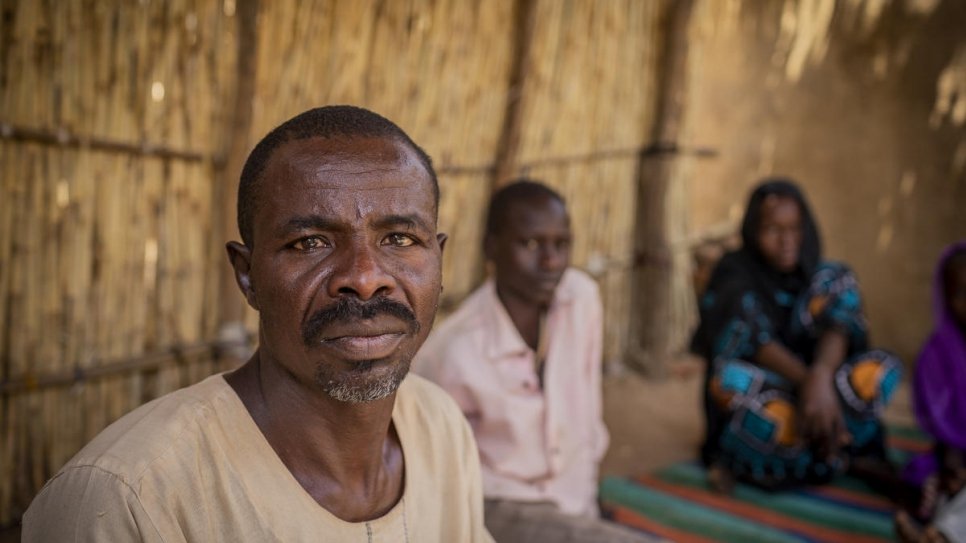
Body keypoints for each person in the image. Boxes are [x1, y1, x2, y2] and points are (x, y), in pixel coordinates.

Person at [23, 106, 493, 542]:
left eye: (399, 238)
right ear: (247, 276)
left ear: (440, 261)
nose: (365, 279)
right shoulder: (131, 497)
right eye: (310, 243)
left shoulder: (440, 428)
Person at [414, 180, 651, 542]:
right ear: (491, 248)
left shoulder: (580, 299)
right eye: (530, 243)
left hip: (574, 496)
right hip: (500, 502)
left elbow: (586, 409)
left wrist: (586, 499)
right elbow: (437, 469)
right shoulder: (454, 351)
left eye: (562, 244)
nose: (551, 261)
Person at [690, 178, 902, 492]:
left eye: (795, 228)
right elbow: (754, 339)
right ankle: (837, 455)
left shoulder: (825, 278)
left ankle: (795, 458)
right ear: (752, 230)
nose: (787, 240)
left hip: (826, 395)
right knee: (730, 384)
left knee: (880, 369)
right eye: (773, 230)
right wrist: (809, 385)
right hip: (777, 393)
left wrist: (821, 377)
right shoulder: (734, 273)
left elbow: (840, 327)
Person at [896, 241, 966, 543]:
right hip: (954, 461)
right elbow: (942, 424)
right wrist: (954, 465)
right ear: (946, 298)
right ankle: (939, 537)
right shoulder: (938, 355)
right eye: (962, 293)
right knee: (942, 490)